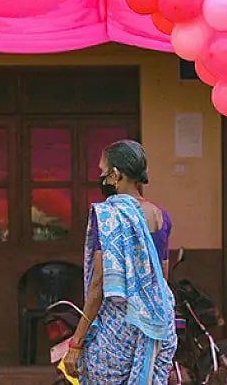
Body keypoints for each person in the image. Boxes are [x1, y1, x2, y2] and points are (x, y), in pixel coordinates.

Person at [62, 140, 176, 384]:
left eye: (103, 171)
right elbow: (162, 277)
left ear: (115, 175)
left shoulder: (110, 217)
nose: (101, 177)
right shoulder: (160, 215)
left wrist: (76, 343)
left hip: (119, 332)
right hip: (158, 326)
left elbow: (99, 285)